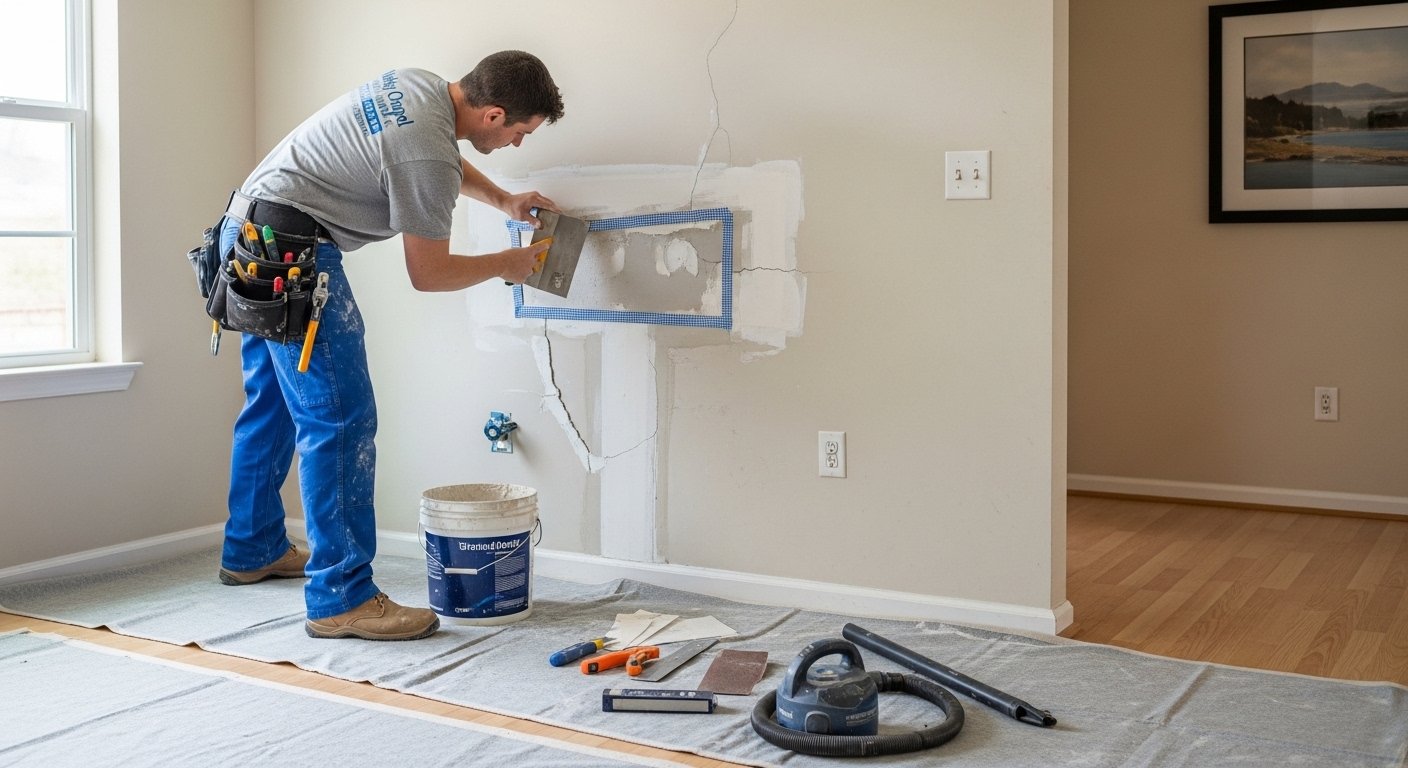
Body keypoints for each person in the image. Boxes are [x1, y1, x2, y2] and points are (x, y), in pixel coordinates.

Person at [214, 51, 565, 641]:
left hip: (248, 232)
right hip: (293, 255)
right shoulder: (427, 154)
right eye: (518, 133)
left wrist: (504, 200)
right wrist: (509, 263)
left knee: (273, 404)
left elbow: (437, 158)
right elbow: (429, 273)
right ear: (495, 112)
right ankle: (341, 598)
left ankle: (252, 547)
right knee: (341, 421)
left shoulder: (421, 89)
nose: (517, 145)